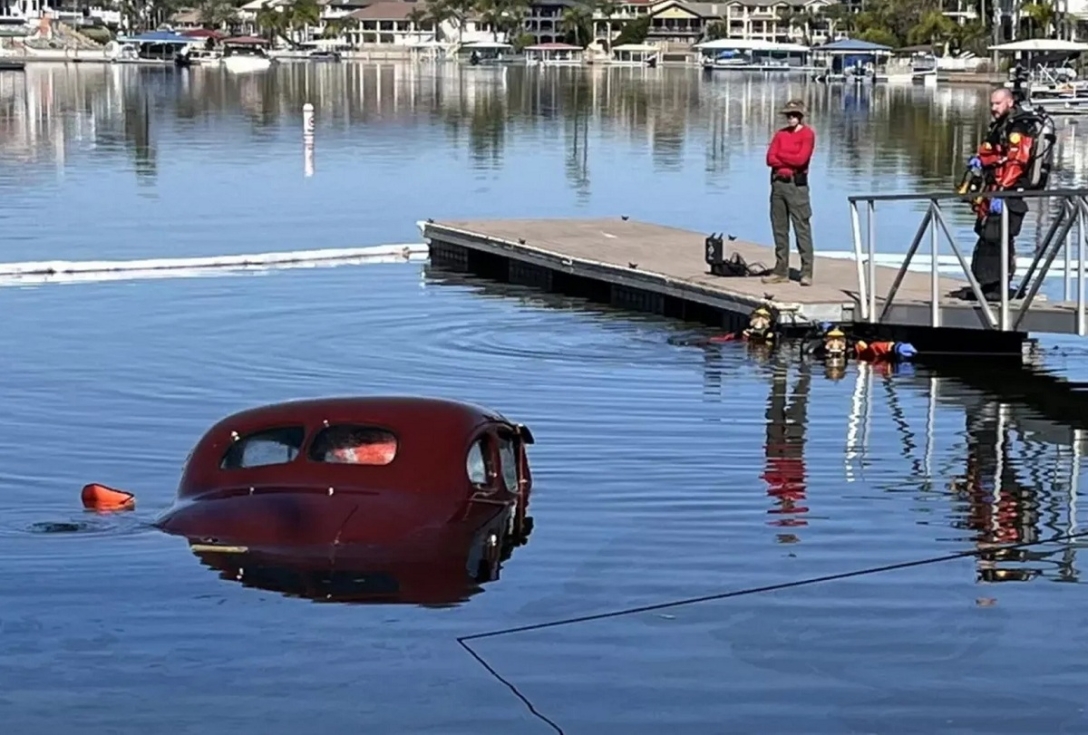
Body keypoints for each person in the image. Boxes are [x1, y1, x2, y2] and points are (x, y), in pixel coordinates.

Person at [952, 88, 1036, 301]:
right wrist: (979, 161)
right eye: (991, 104)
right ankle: (985, 285)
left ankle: (998, 288)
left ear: (1009, 102)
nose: (993, 108)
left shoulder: (1019, 126)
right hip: (993, 190)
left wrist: (1001, 189)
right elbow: (992, 151)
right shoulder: (1000, 125)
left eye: (998, 104)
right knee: (985, 234)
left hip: (1007, 191)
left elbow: (1018, 161)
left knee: (998, 236)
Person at [763, 99, 816, 287]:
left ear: (801, 117)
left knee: (801, 227)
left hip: (797, 186)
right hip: (778, 184)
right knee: (779, 228)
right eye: (789, 115)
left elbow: (801, 160)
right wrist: (786, 160)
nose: (791, 118)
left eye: (795, 115)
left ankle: (806, 271)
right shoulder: (780, 135)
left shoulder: (808, 135)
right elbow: (770, 158)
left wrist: (782, 158)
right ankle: (780, 270)